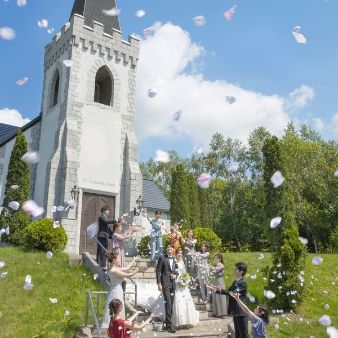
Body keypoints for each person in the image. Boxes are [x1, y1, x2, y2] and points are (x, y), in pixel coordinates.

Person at [209, 262, 248, 338]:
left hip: (241, 311)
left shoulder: (243, 283)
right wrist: (218, 290)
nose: (234, 270)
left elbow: (233, 293)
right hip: (235, 311)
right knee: (237, 334)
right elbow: (229, 291)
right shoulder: (235, 281)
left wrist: (222, 290)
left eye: (236, 269)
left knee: (243, 334)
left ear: (241, 271)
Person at [102, 251, 140, 328]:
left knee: (118, 307)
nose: (119, 260)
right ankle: (114, 324)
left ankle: (118, 323)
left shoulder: (116, 268)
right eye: (118, 258)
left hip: (118, 290)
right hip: (115, 291)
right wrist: (136, 271)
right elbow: (128, 275)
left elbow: (127, 268)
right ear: (114, 260)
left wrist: (134, 260)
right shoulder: (113, 270)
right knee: (117, 307)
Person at [172, 247, 199, 329]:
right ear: (176, 255)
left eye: (181, 254)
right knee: (178, 301)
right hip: (177, 283)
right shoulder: (174, 262)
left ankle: (187, 321)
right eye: (178, 254)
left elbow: (185, 273)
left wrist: (186, 279)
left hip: (183, 285)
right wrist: (178, 279)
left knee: (186, 302)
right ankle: (179, 321)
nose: (180, 255)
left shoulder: (183, 262)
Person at [156, 244, 179, 333]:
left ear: (173, 250)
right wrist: (159, 283)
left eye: (171, 248)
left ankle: (166, 323)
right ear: (166, 249)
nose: (169, 249)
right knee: (168, 303)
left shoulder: (174, 259)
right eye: (168, 248)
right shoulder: (162, 258)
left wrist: (176, 275)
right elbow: (158, 271)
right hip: (165, 284)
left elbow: (177, 271)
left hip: (173, 284)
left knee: (171, 304)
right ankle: (169, 326)